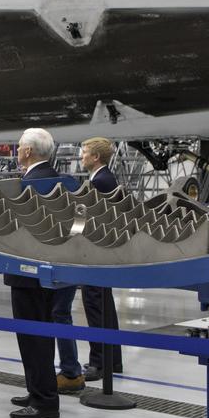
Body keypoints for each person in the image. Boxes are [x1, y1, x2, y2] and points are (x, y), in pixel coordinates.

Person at [8, 127, 63, 418]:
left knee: (33, 337)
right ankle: (38, 389)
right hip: (45, 270)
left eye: (19, 147)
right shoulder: (55, 179)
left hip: (27, 272)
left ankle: (44, 401)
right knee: (40, 335)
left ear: (28, 151)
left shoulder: (30, 183)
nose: (17, 151)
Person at [79, 137, 124, 381]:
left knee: (95, 304)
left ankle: (99, 362)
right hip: (104, 250)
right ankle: (112, 359)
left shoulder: (99, 182)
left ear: (96, 157)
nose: (81, 156)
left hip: (95, 251)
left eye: (85, 152)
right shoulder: (106, 178)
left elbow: (87, 217)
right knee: (104, 305)